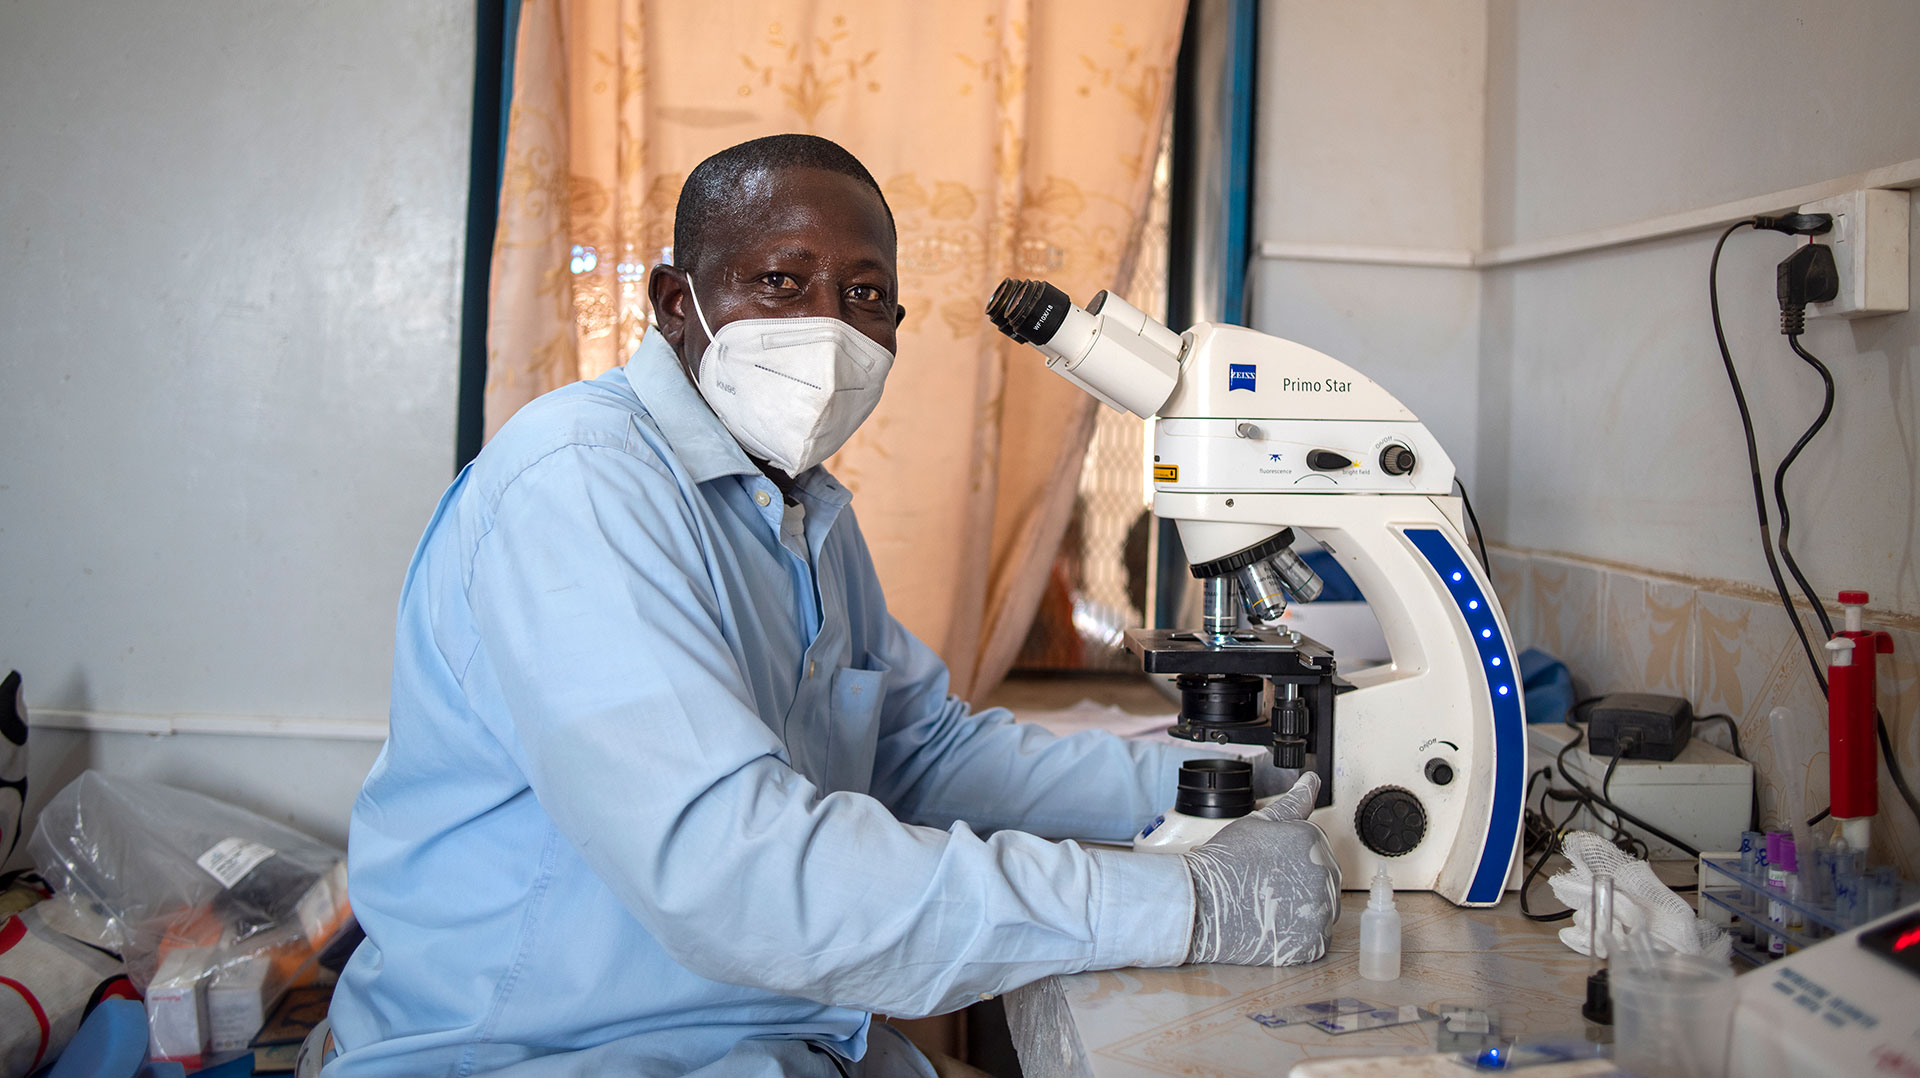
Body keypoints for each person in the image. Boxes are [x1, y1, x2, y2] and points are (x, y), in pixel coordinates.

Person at [324, 134, 1337, 1078]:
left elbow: (921, 754)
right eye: (778, 281)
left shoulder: (802, 508)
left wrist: (1210, 779)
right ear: (676, 302)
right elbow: (736, 870)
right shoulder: (580, 487)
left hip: (772, 1037)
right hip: (543, 1054)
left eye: (864, 293)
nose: (826, 324)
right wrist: (1187, 904)